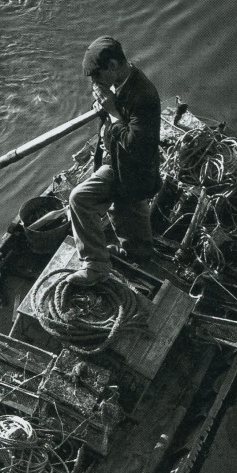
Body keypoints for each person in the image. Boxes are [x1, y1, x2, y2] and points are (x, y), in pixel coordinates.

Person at [66, 36, 162, 286]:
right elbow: (108, 116)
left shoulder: (145, 96)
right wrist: (101, 104)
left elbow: (136, 147)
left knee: (134, 232)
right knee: (83, 199)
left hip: (134, 171)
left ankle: (132, 256)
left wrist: (112, 112)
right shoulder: (115, 84)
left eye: (97, 77)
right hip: (114, 162)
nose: (95, 83)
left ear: (112, 67)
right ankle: (96, 265)